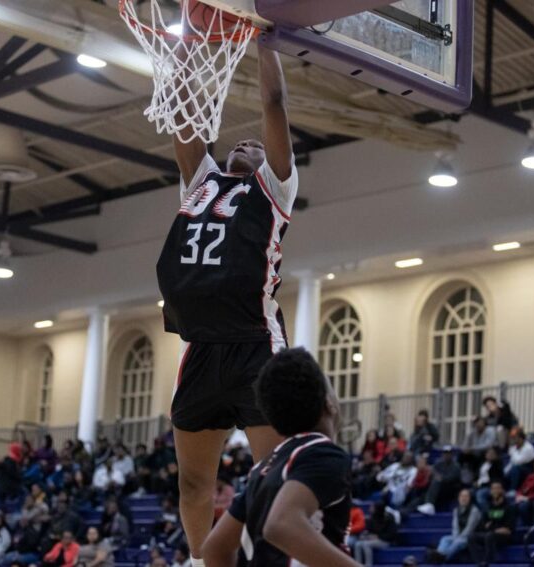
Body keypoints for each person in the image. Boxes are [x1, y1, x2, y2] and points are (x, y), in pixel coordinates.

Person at [155, 39, 299, 566]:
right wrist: (181, 53)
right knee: (194, 480)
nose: (246, 141)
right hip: (201, 348)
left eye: (256, 146)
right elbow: (186, 113)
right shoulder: (201, 182)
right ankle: (198, 561)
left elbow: (274, 105)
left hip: (257, 346)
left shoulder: (274, 190)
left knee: (272, 477)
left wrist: (265, 41)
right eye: (242, 143)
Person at [201, 348, 355, 566]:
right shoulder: (323, 454)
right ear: (329, 403)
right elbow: (281, 524)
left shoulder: (264, 467)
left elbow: (215, 549)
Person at [469, 481, 517, 567]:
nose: (495, 491)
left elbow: (508, 529)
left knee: (489, 535)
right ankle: (479, 562)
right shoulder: (488, 507)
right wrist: (491, 527)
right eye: (493, 489)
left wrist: (492, 527)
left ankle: (488, 562)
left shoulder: (509, 507)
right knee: (472, 536)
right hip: (491, 534)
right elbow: (482, 525)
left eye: (497, 488)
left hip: (505, 537)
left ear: (502, 490)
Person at [429, 489, 481, 564]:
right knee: (445, 539)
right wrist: (456, 536)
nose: (463, 498)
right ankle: (439, 554)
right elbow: (455, 526)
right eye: (462, 496)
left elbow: (470, 528)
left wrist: (459, 537)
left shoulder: (474, 510)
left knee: (458, 542)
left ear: (470, 498)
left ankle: (443, 557)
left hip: (469, 537)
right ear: (458, 498)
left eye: (466, 496)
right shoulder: (456, 510)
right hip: (458, 536)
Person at [414, 446, 462, 516]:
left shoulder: (456, 466)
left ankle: (429, 504)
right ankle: (408, 510)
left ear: (452, 455)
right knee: (423, 492)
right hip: (438, 489)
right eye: (445, 453)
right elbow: (432, 471)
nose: (447, 455)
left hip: (451, 489)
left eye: (449, 453)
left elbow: (451, 478)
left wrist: (441, 478)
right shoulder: (439, 463)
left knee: (436, 482)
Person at [353, 502, 400, 567]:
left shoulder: (389, 518)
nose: (370, 509)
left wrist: (378, 537)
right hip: (373, 540)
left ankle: (368, 565)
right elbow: (368, 530)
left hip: (385, 540)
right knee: (358, 544)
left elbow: (391, 534)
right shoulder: (372, 517)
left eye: (372, 507)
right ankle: (357, 564)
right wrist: (365, 535)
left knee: (366, 544)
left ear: (377, 509)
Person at [474, 447, 505, 511]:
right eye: (488, 453)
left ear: (496, 455)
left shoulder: (497, 464)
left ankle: (488, 513)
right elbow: (477, 476)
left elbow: (497, 478)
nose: (490, 455)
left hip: (489, 487)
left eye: (492, 453)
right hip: (478, 486)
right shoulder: (482, 464)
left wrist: (482, 484)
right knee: (467, 493)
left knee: (480, 495)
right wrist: (475, 482)